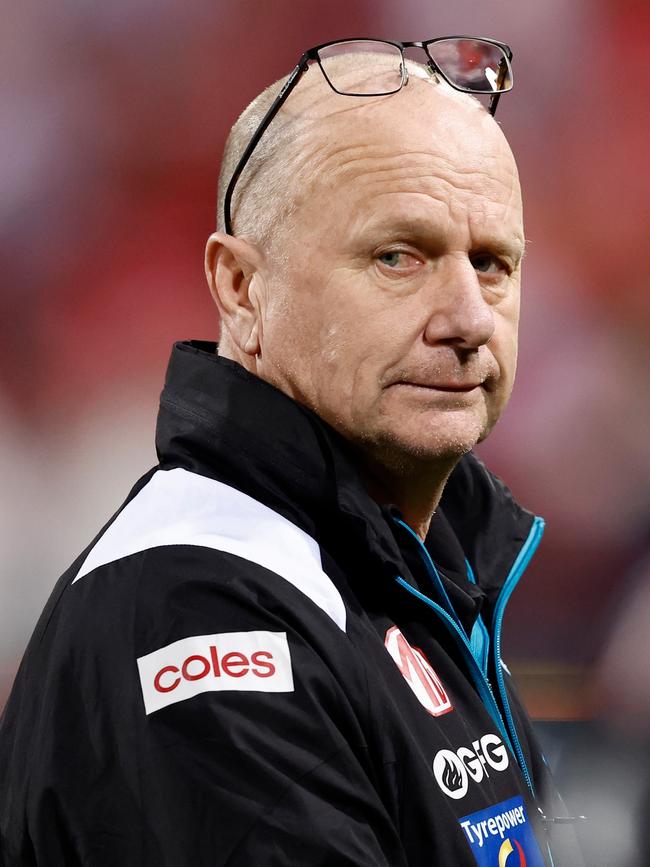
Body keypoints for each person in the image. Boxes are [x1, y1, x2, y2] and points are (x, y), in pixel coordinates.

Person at [0, 38, 584, 866]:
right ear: (241, 289)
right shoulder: (197, 608)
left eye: (493, 264)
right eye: (397, 257)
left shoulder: (417, 577)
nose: (468, 317)